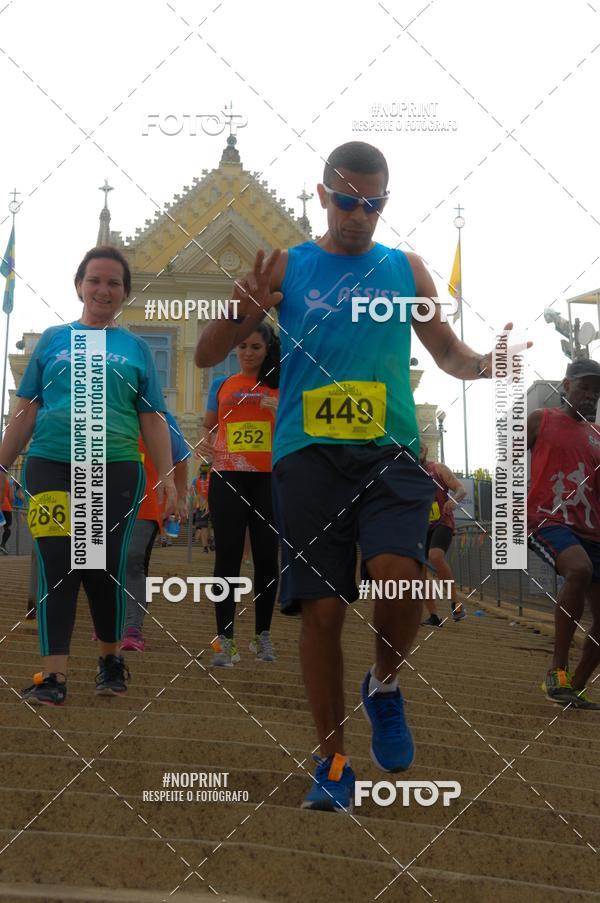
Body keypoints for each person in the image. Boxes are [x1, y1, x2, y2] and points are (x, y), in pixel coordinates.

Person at [195, 141, 509, 811]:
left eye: (373, 204)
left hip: (390, 452)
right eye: (347, 201)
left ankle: (385, 683)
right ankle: (333, 762)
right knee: (325, 610)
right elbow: (206, 354)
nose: (359, 215)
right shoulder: (288, 264)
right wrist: (239, 308)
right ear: (322, 195)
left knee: (401, 571)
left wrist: (489, 365)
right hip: (308, 457)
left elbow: (447, 352)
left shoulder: (406, 269)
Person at [0, 245, 176, 705]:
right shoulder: (55, 340)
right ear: (79, 285)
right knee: (57, 565)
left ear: (124, 294)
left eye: (113, 283)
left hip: (114, 466)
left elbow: (152, 418)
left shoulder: (134, 348)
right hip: (51, 463)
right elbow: (26, 412)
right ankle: (54, 676)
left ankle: (109, 659)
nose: (103, 289)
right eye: (95, 280)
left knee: (100, 566)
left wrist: (169, 478)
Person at [196, 323, 280, 666]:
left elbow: (299, 423)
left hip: (269, 478)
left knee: (265, 559)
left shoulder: (282, 384)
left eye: (255, 347)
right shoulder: (222, 383)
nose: (247, 353)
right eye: (242, 346)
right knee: (227, 557)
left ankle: (262, 636)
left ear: (266, 350)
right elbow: (209, 425)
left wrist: (279, 411)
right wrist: (206, 440)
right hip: (228, 474)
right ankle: (225, 639)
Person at [527, 358, 600, 710]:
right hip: (548, 520)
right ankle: (556, 670)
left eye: (596, 391)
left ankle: (572, 688)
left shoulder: (597, 437)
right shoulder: (542, 420)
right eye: (585, 386)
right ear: (566, 385)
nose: (591, 395)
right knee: (579, 570)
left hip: (592, 531)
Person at [120, 409, 190, 652]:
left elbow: (180, 456)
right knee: (109, 563)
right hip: (108, 499)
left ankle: (132, 628)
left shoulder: (161, 417)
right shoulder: (104, 407)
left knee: (133, 559)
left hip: (148, 501)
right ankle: (114, 618)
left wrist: (179, 496)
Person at [419, 446, 467, 627]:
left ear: (424, 449)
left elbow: (461, 489)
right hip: (420, 527)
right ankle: (434, 616)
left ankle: (456, 603)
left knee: (435, 556)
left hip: (442, 523)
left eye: (417, 449)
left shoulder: (438, 468)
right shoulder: (408, 475)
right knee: (419, 571)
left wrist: (453, 501)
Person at [191, 465, 211, 551]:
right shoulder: (212, 479)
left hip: (201, 506)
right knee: (212, 525)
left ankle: (205, 546)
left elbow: (193, 492)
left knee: (203, 526)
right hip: (212, 504)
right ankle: (212, 540)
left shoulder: (196, 480)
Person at [0, 475, 13, 554]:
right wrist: (10, 506)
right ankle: (2, 545)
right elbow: (11, 498)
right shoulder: (8, 482)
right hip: (6, 507)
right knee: (7, 527)